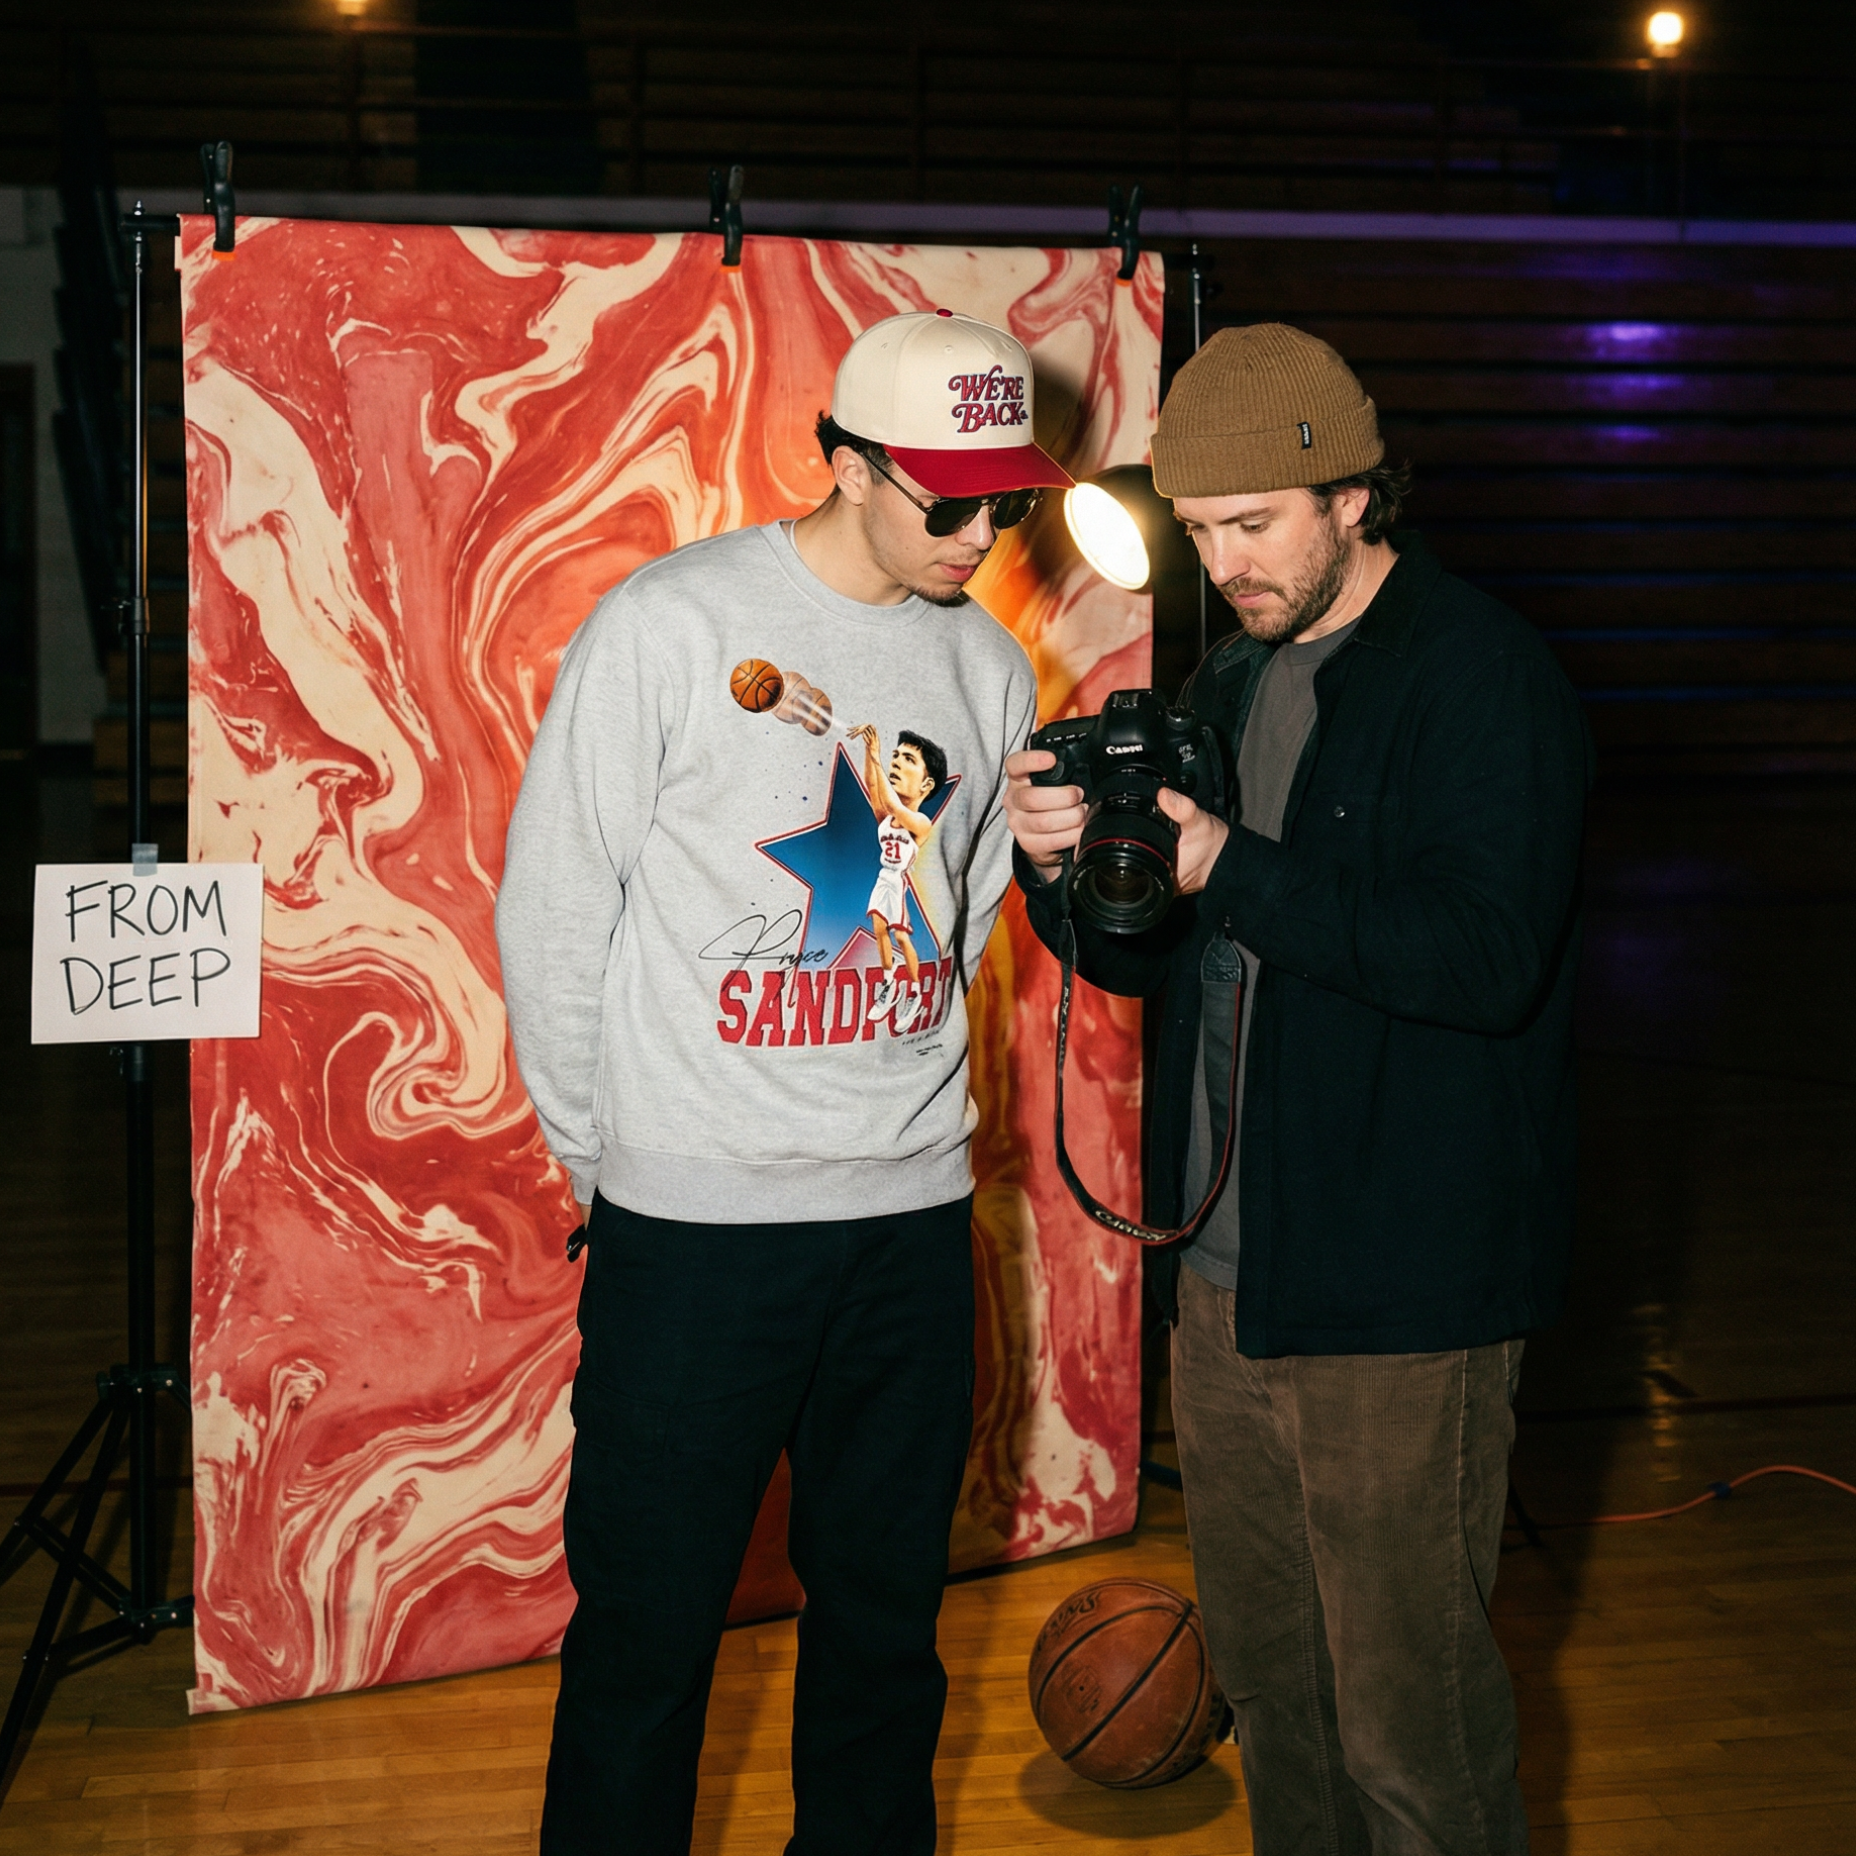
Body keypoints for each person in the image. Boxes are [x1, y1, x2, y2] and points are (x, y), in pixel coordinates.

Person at [1004, 323, 1590, 1856]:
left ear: (1353, 497)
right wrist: (1058, 870)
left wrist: (1232, 862)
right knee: (1279, 1704)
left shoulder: (1481, 676)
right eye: (1199, 533)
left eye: (1253, 526)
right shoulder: (1233, 676)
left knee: (1412, 1724)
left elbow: (1484, 959)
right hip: (1227, 1282)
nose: (1228, 564)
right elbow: (1150, 967)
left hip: (1399, 1295)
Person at [495, 307, 1069, 1856]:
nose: (980, 534)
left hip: (904, 1229)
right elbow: (555, 907)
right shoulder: (671, 623)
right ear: (845, 461)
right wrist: (609, 1165)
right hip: (694, 1228)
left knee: (884, 1640)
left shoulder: (990, 665)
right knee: (647, 1642)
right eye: (947, 500)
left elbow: (956, 921)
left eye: (1007, 502)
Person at [849, 723, 946, 1033]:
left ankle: (915, 993)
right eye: (895, 755)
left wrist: (878, 758)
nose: (896, 762)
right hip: (882, 877)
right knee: (879, 929)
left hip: (897, 880)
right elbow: (873, 788)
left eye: (908, 759)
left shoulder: (920, 822)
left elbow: (890, 801)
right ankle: (889, 983)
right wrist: (869, 753)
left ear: (926, 785)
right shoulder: (888, 818)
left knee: (901, 936)